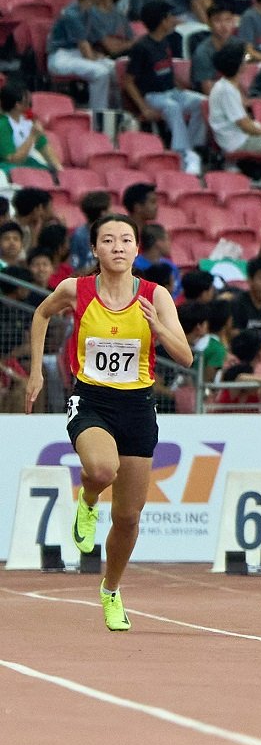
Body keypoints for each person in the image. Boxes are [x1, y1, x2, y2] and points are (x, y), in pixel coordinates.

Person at [19, 215, 192, 632]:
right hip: (92, 398)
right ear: (94, 249)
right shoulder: (75, 290)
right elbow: (41, 315)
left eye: (126, 240)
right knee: (100, 469)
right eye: (108, 240)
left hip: (137, 405)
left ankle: (111, 590)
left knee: (130, 517)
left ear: (136, 250)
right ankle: (90, 499)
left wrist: (158, 327)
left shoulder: (156, 296)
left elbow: (185, 357)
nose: (118, 246)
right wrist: (36, 372)